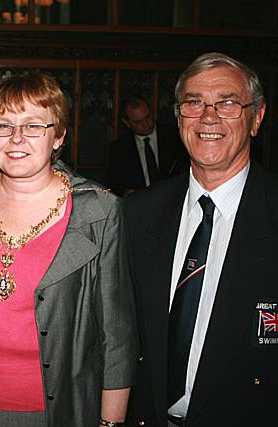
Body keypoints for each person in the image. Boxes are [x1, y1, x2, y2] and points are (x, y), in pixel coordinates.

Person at [0, 73, 137, 427]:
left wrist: (111, 422)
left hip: (52, 411)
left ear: (58, 136)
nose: (16, 138)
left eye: (33, 126)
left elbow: (117, 333)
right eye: (3, 125)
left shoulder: (99, 211)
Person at [126, 52, 278, 426]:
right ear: (179, 118)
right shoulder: (137, 213)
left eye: (227, 103)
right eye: (194, 103)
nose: (208, 117)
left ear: (257, 118)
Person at [107, 94, 187, 196]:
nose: (145, 124)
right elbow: (113, 185)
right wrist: (126, 192)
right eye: (138, 122)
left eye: (147, 117)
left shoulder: (174, 137)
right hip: (139, 204)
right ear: (127, 123)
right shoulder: (119, 149)